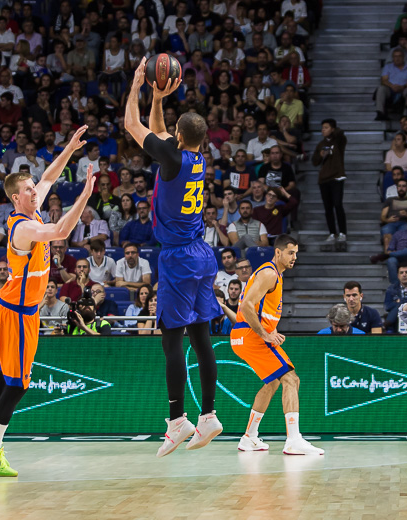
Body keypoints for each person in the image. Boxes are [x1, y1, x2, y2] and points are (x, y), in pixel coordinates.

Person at [0, 125, 95, 477]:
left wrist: (70, 147)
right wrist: (85, 194)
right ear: (16, 198)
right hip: (19, 313)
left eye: (33, 188)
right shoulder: (22, 228)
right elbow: (60, 232)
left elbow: (50, 176)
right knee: (19, 382)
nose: (35, 191)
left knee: (3, 372)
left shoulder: (32, 209)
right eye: (28, 190)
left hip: (12, 306)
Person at [124, 59, 223, 457]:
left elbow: (135, 126)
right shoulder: (195, 157)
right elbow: (160, 132)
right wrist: (157, 96)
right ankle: (210, 415)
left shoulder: (172, 157)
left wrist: (136, 86)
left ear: (179, 137)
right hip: (203, 253)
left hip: (179, 258)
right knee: (201, 339)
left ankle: (177, 420)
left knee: (171, 342)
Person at [230, 234, 324, 455]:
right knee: (290, 378)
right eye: (291, 253)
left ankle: (249, 437)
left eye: (296, 253)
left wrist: (270, 330)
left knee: (273, 382)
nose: (294, 257)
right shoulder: (270, 273)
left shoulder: (274, 275)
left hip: (245, 335)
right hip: (250, 335)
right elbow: (246, 307)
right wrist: (264, 334)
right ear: (278, 252)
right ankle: (293, 440)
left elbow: (260, 309)